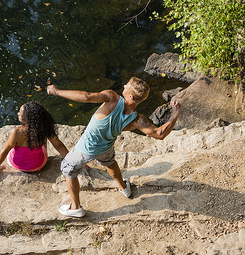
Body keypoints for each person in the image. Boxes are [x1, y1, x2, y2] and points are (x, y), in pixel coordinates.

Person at [47, 77, 181, 217]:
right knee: (110, 163)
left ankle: (76, 208)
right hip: (106, 147)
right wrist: (175, 114)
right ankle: (123, 187)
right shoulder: (137, 119)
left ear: (130, 95)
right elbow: (159, 134)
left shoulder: (112, 97)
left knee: (68, 170)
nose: (124, 85)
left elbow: (86, 96)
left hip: (85, 148)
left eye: (127, 86)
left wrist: (57, 92)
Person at [0, 101, 69, 182]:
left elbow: (5, 151)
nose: (18, 113)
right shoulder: (44, 129)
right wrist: (71, 159)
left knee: (11, 146)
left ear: (26, 118)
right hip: (39, 164)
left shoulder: (17, 132)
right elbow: (58, 145)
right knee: (42, 140)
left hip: (17, 164)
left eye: (20, 113)